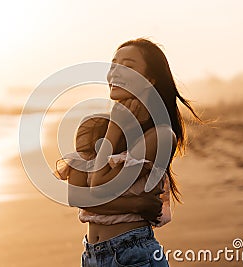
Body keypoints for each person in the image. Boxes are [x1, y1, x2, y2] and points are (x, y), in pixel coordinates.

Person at [55, 38, 201, 266]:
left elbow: (98, 184)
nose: (116, 72)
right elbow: (77, 196)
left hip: (134, 254)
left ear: (148, 80)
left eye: (129, 66)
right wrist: (135, 205)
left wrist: (116, 127)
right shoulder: (91, 126)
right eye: (114, 65)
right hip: (91, 256)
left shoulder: (160, 136)